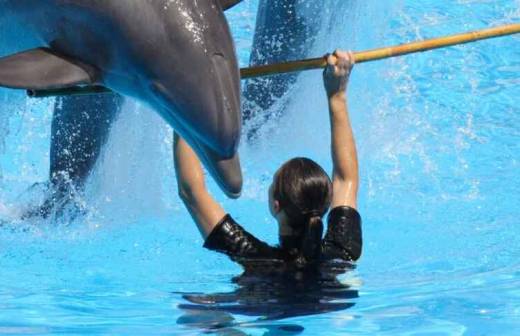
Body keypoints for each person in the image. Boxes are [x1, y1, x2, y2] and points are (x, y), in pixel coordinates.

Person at [174, 50, 361, 277]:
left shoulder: (255, 258)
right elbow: (346, 178)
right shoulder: (341, 253)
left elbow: (191, 191)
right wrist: (337, 95)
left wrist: (180, 98)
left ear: (276, 205)